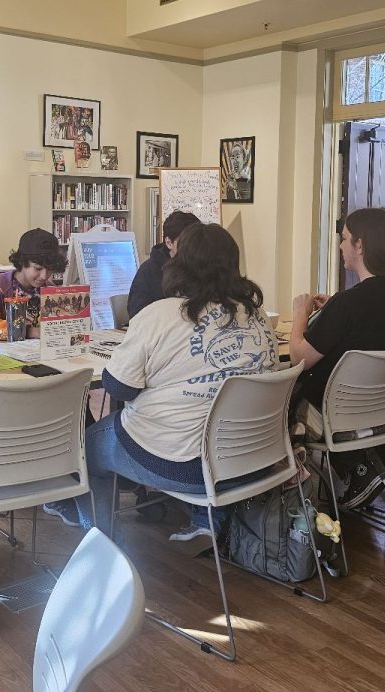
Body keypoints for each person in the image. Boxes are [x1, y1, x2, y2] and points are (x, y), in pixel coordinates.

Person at [59, 223, 276, 539]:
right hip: (254, 458)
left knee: (81, 449)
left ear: (180, 263)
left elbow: (119, 388)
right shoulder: (256, 315)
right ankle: (208, 520)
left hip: (183, 464)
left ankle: (100, 544)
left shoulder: (159, 315)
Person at [290, 208, 385, 508]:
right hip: (383, 415)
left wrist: (301, 315)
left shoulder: (349, 304)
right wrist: (331, 312)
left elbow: (299, 357)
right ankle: (361, 468)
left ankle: (291, 499)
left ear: (360, 246)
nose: (340, 246)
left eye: (344, 239)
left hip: (331, 417)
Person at [0, 228, 67, 341]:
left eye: (50, 270)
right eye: (38, 268)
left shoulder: (49, 288)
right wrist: (27, 331)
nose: (44, 276)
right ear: (22, 262)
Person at [126, 210, 201, 319]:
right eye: (186, 242)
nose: (193, 247)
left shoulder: (201, 264)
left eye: (196, 241)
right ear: (169, 242)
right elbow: (137, 312)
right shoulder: (149, 270)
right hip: (162, 329)